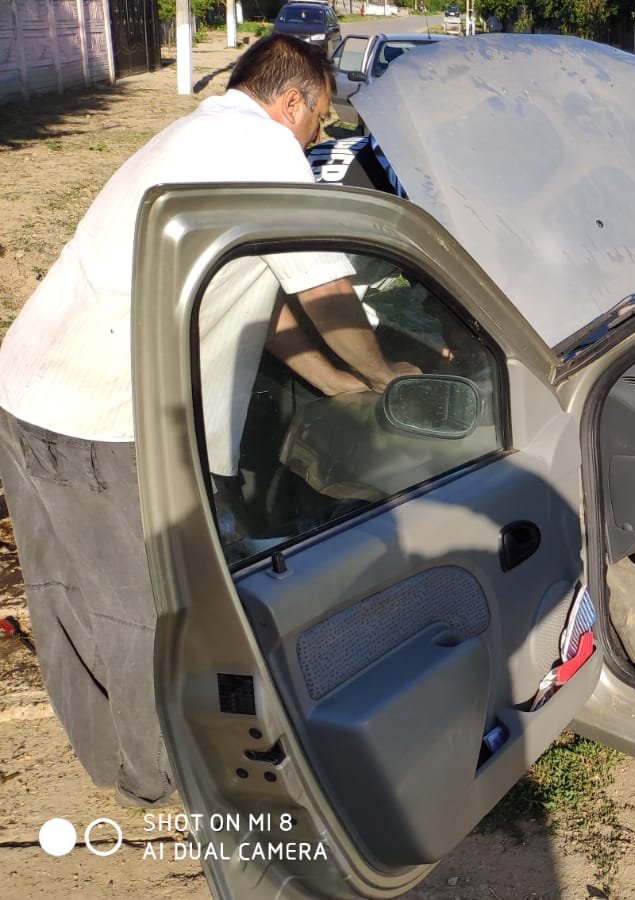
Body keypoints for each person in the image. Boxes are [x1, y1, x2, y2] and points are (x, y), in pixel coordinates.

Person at [0, 34, 415, 807]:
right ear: (291, 101)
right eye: (320, 117)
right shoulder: (264, 148)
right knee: (149, 613)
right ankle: (166, 783)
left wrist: (337, 382)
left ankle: (112, 760)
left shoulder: (196, 138)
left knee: (65, 594)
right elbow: (323, 293)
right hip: (104, 418)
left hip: (27, 392)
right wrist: (385, 373)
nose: (318, 135)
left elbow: (264, 305)